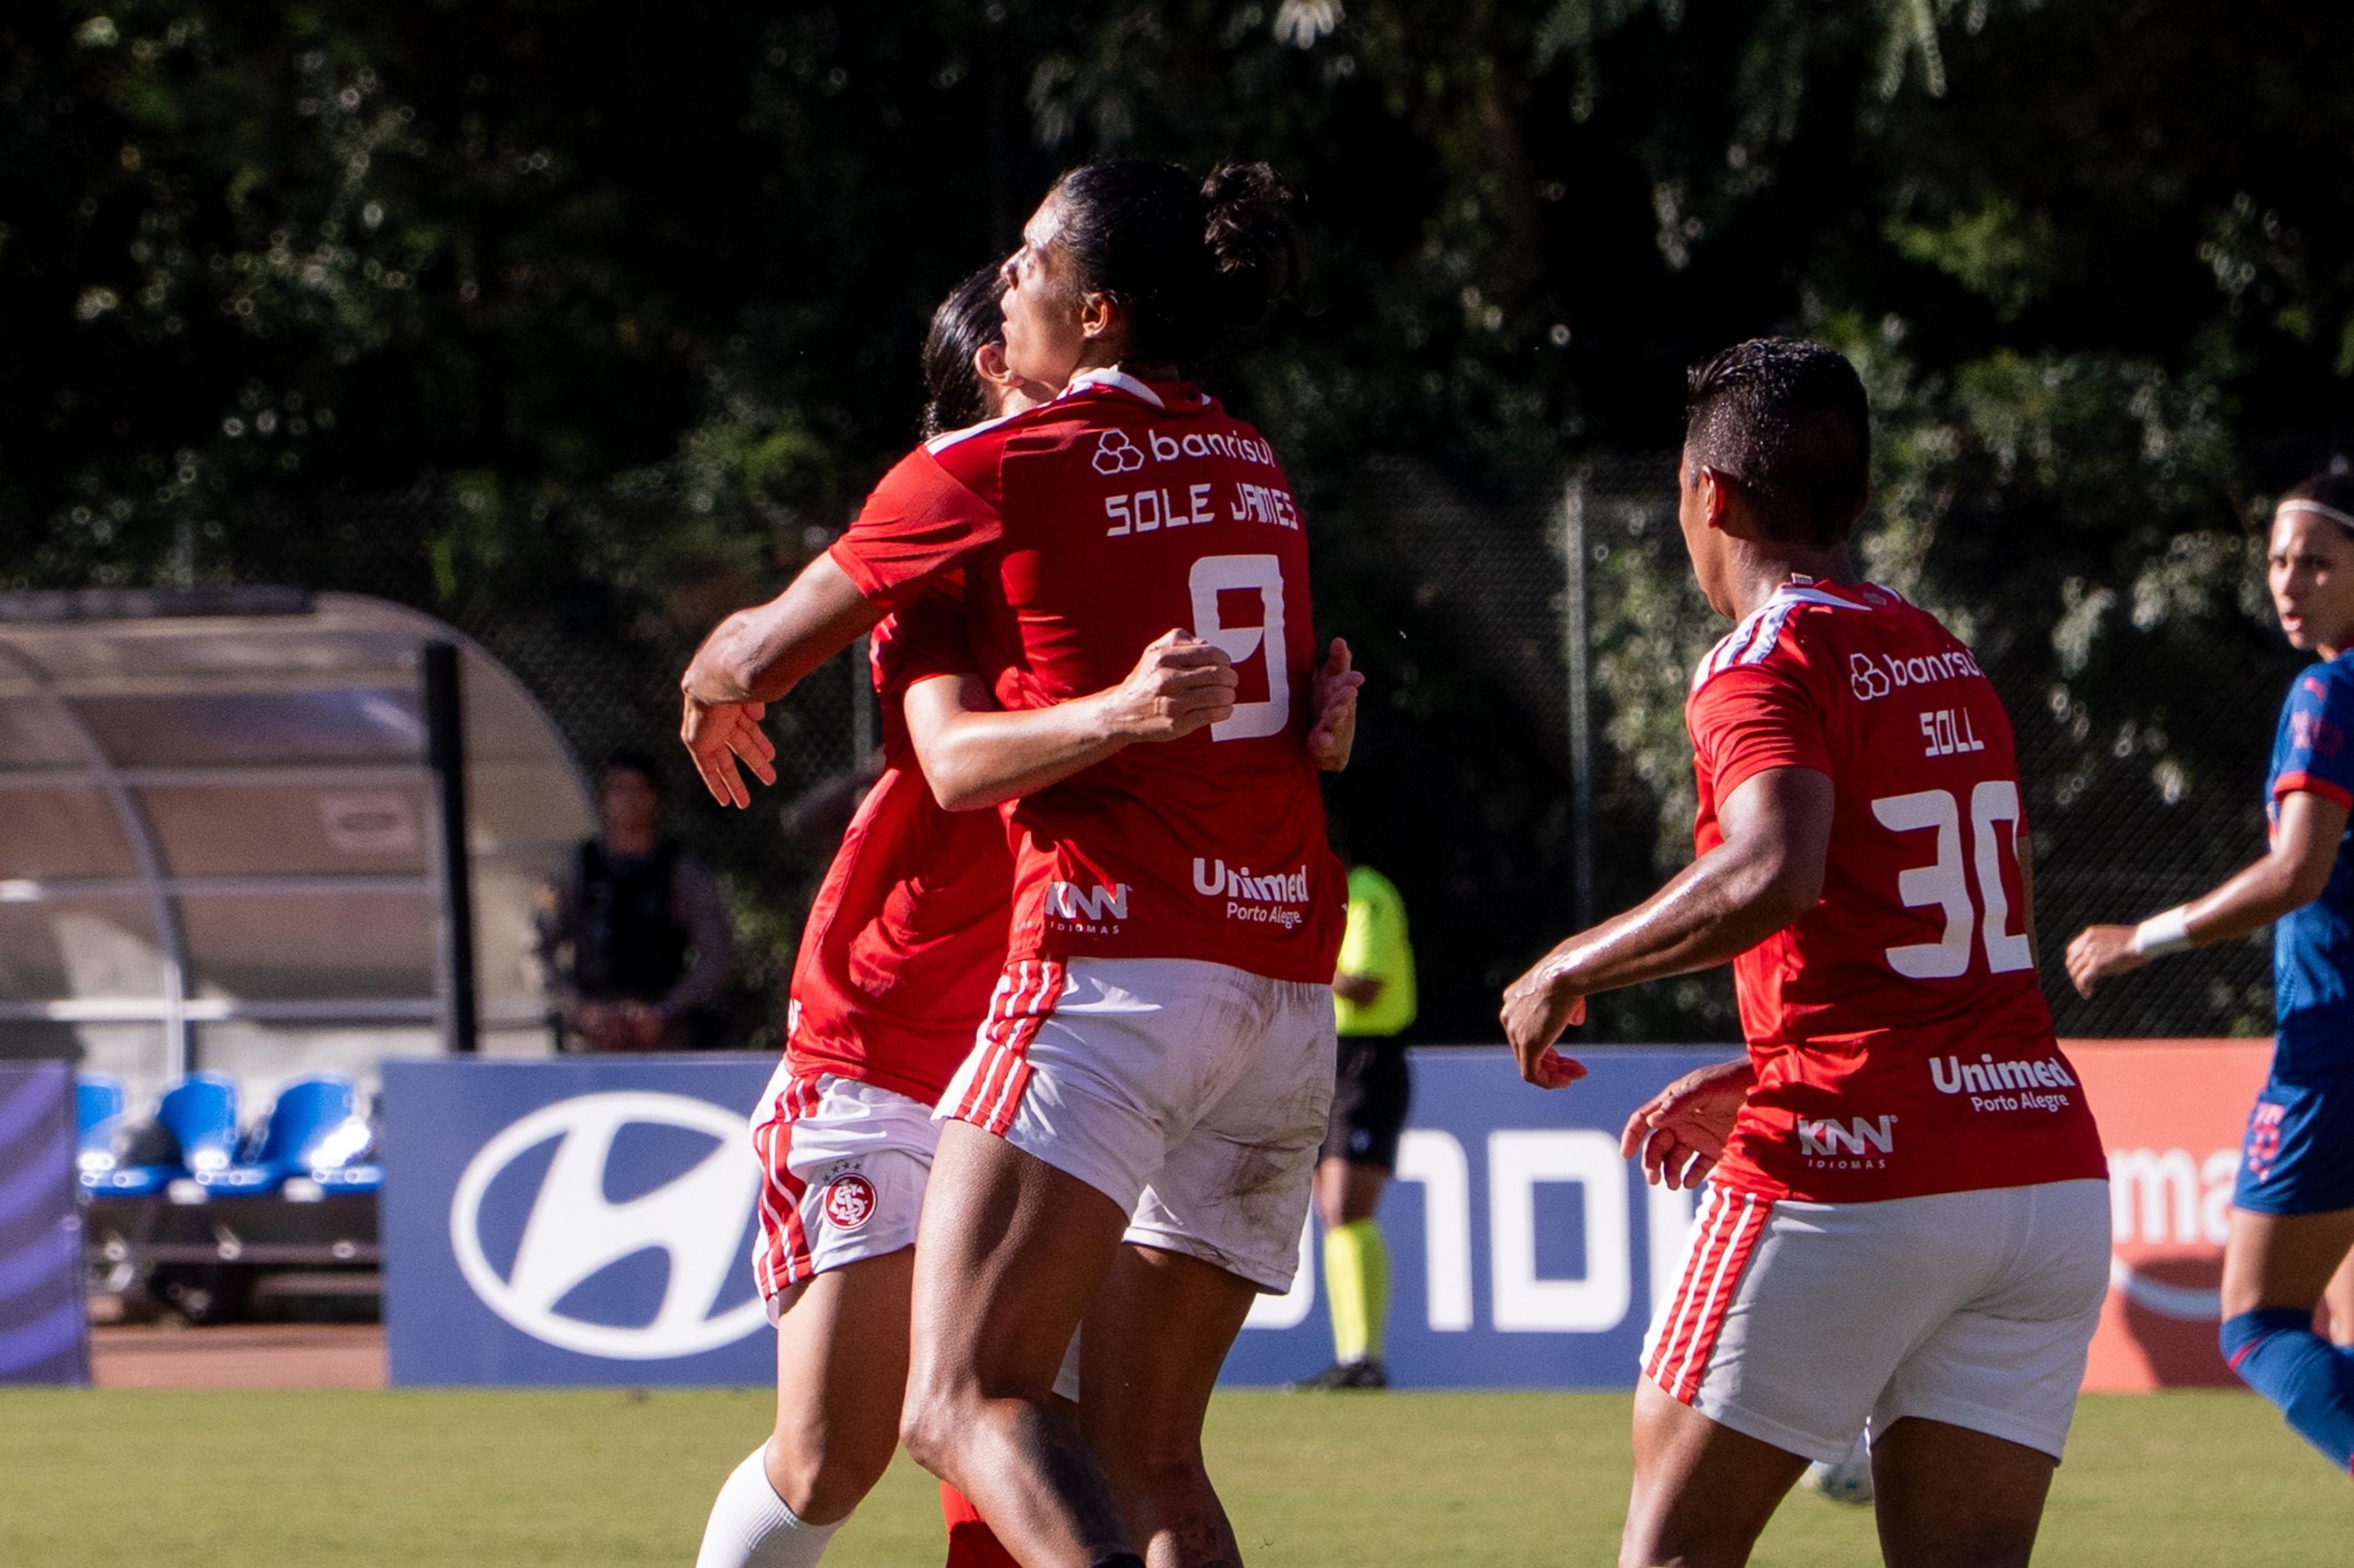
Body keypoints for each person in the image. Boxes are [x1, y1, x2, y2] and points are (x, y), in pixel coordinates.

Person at [681, 159, 1360, 1568]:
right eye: (993, 315)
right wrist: (1289, 722)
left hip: (1089, 1001)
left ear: (1085, 324)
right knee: (883, 1452)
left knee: (993, 1417)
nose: (1011, 285)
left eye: (1031, 267)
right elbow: (956, 761)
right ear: (978, 376)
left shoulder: (1028, 483)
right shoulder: (1223, 463)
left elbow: (755, 654)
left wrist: (719, 675)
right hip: (937, 1019)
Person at [1500, 338, 2111, 1568]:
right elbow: (1962, 927)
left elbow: (1773, 868)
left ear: (1707, 497)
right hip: (2038, 1163)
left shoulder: (1764, 658)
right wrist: (1772, 1055)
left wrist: (1567, 966)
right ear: (1859, 500)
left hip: (1857, 1159)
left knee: (1669, 1553)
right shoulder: (1944, 655)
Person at [2067, 466, 2354, 1479]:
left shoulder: (2328, 692)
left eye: (2315, 562)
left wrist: (2136, 940)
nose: (2288, 581)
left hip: (2332, 1057)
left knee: (2258, 1324)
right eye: (2277, 561)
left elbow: (2293, 872)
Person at [1295, 846, 1417, 1391]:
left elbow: (1365, 988)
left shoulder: (1366, 894)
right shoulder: (1316, 895)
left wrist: (1291, 952)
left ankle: (1367, 1355)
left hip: (1367, 1058)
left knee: (1346, 1205)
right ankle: (1352, 1357)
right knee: (1330, 1210)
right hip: (1325, 1055)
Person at [535, 749, 733, 1050]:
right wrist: (579, 1010)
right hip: (589, 1038)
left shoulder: (682, 875)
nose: (628, 800)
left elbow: (717, 957)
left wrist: (664, 1011)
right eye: (618, 789)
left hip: (664, 1036)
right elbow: (535, 948)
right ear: (603, 799)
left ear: (655, 799)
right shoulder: (575, 871)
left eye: (639, 790)